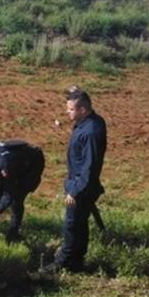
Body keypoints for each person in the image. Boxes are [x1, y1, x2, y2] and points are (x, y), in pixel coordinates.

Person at [48, 87, 107, 273]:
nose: (67, 112)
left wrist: (74, 191)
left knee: (72, 225)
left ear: (82, 110)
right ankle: (77, 263)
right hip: (82, 183)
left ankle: (62, 263)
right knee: (80, 225)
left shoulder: (90, 132)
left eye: (71, 109)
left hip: (81, 186)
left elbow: (90, 167)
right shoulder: (91, 122)